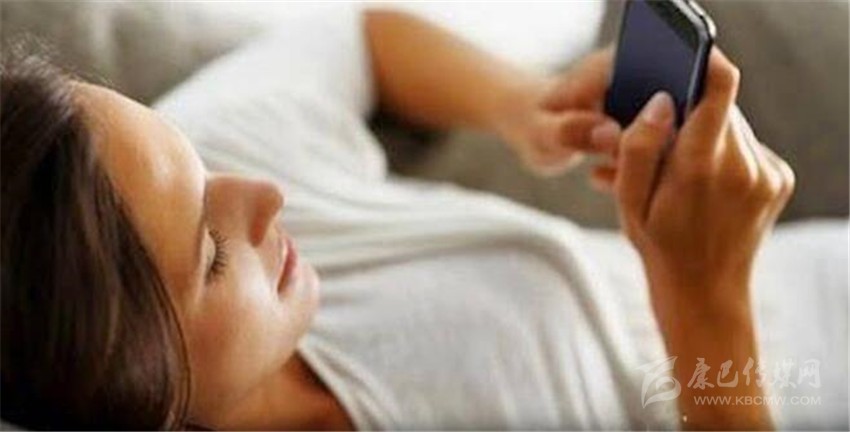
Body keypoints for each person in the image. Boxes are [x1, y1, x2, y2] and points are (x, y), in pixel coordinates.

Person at [2, 6, 844, 431]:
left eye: (194, 159)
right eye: (213, 256)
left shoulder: (216, 160)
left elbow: (357, 35)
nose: (265, 195)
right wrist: (706, 299)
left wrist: (524, 105)